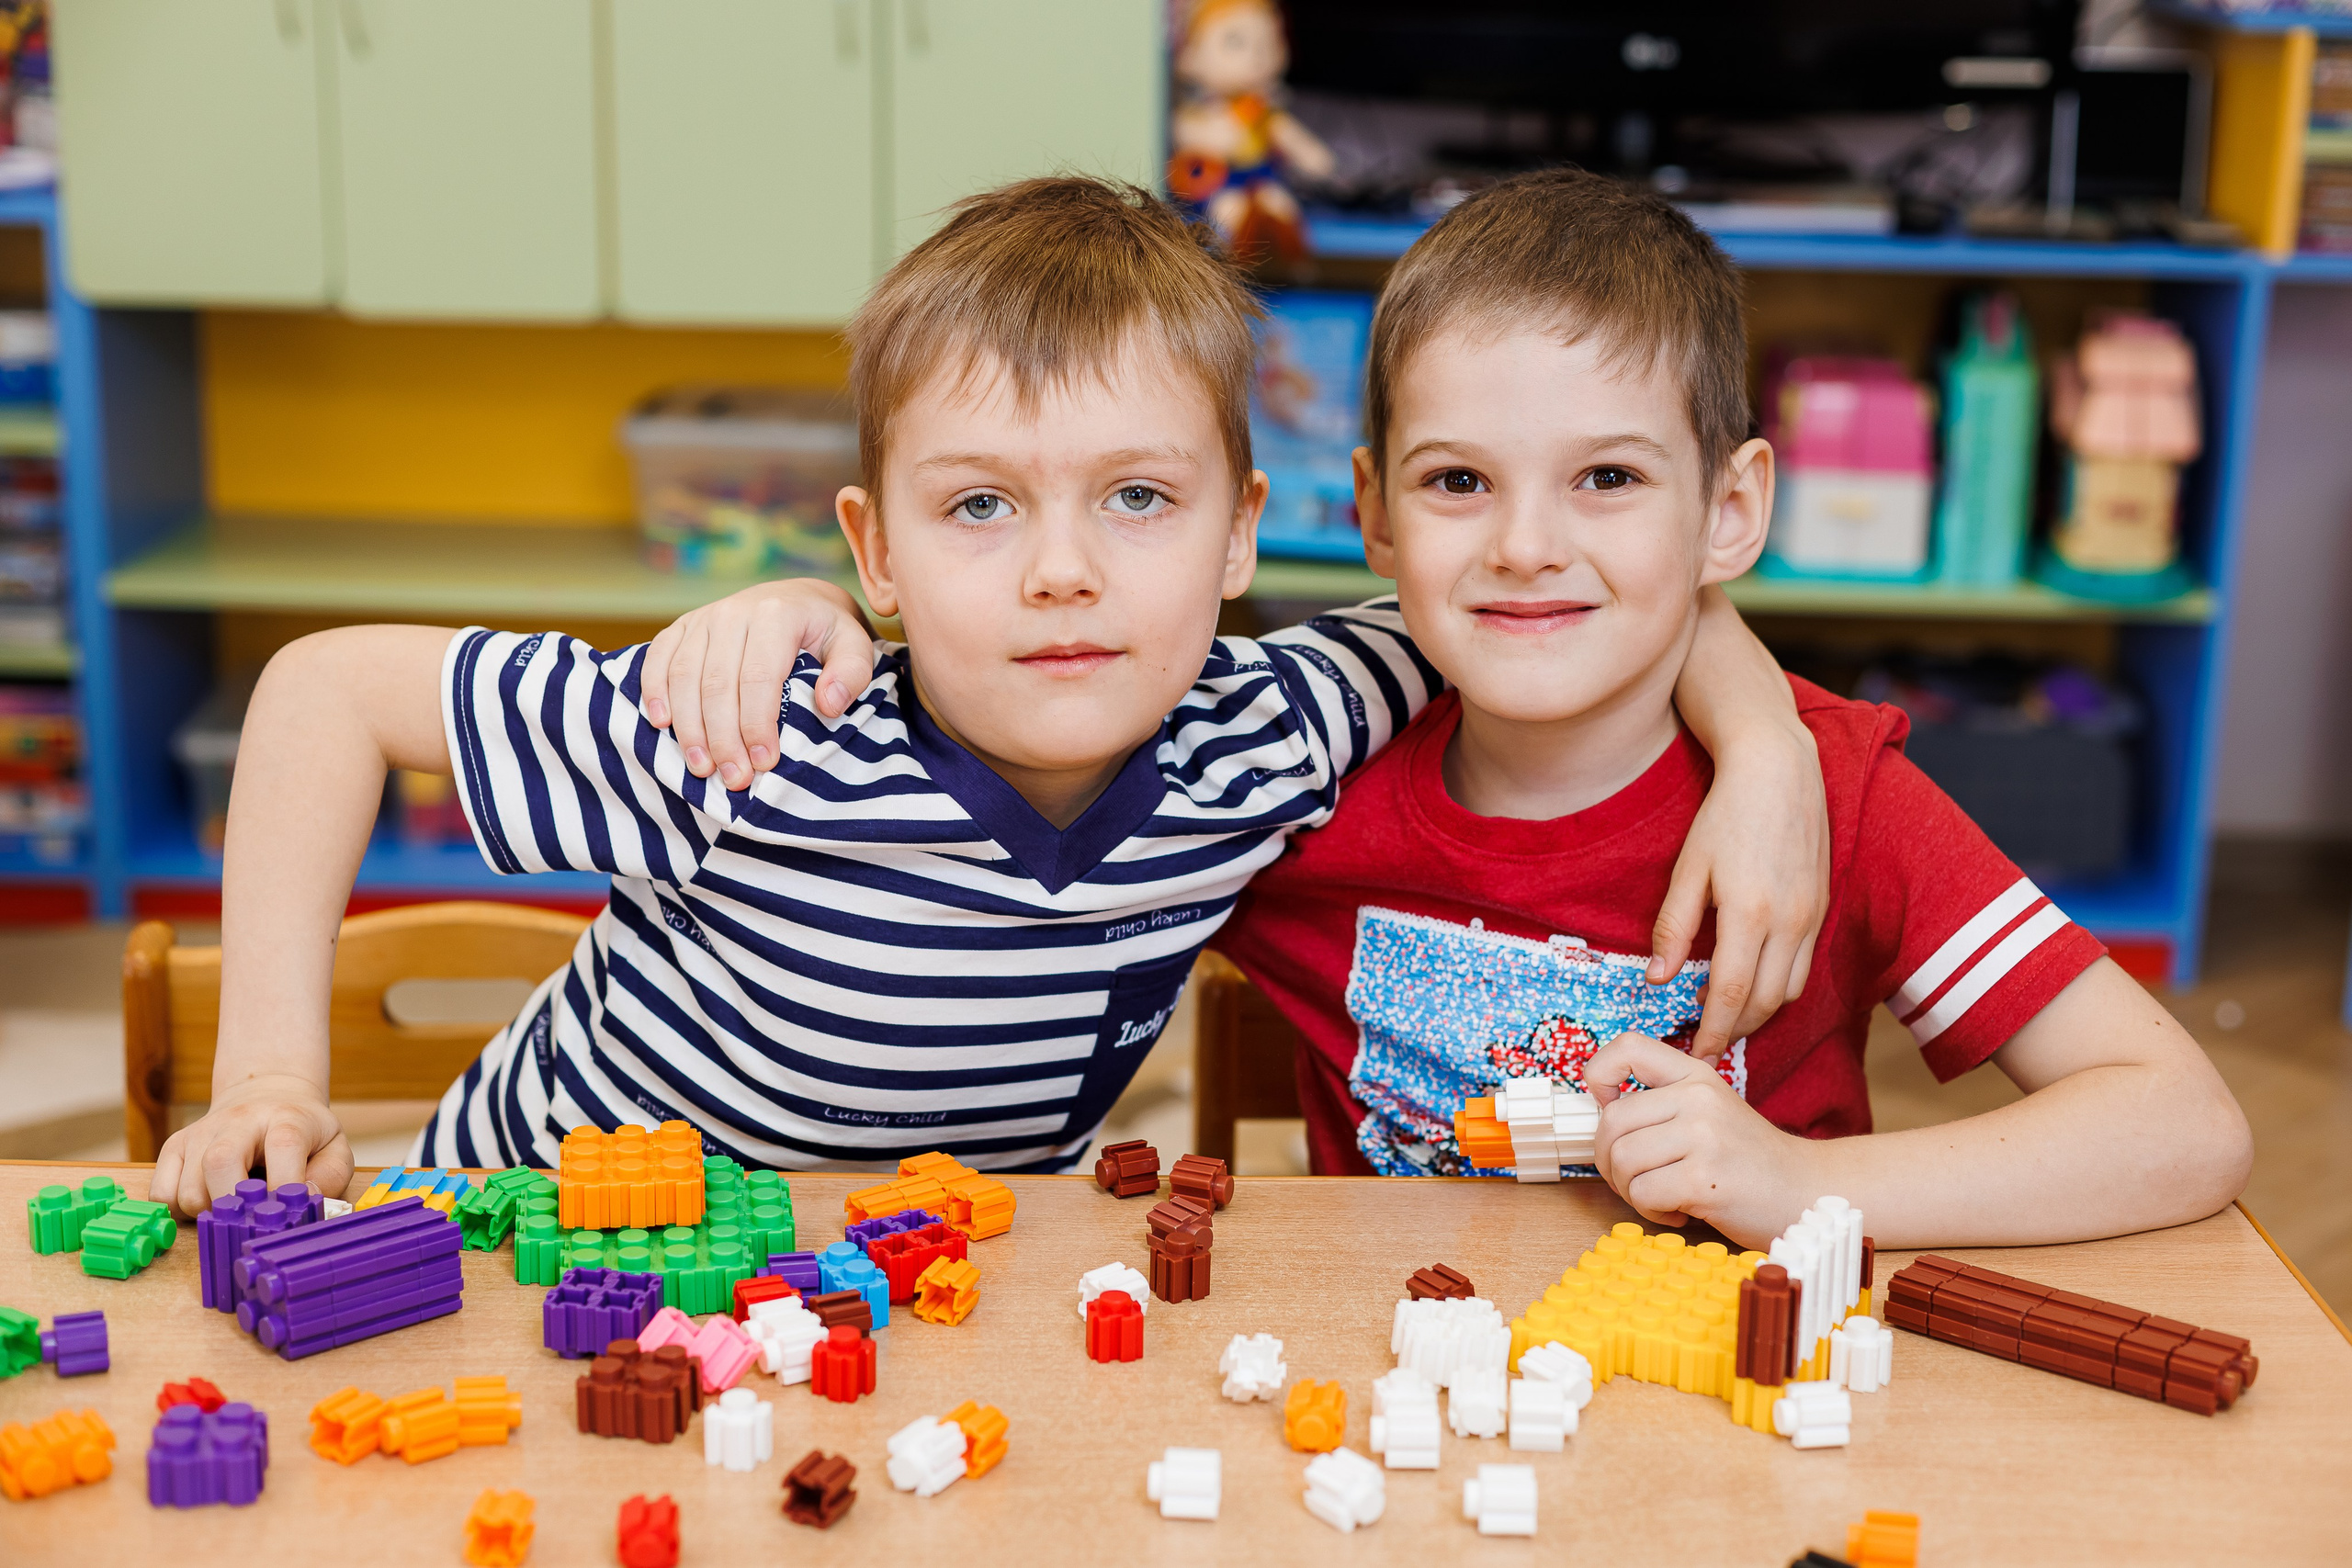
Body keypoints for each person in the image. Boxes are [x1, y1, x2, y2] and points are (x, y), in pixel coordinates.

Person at [149, 176, 1826, 1213]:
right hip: (529, 1256)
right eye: (979, 507)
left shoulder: (1274, 731)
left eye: (1139, 500)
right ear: (874, 553)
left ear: (1245, 535)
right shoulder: (748, 734)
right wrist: (273, 1088)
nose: (1061, 573)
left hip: (895, 1297)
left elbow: (1560, 594)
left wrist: (1764, 754)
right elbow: (314, 696)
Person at [671, 171, 2253, 1251]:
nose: (1524, 545)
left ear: (1733, 511)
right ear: (1371, 514)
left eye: (1611, 478)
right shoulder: (1274, 784)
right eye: (1456, 483)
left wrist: (1795, 1183)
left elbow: (2183, 1126)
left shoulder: (1837, 801)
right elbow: (976, 759)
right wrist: (818, 624)